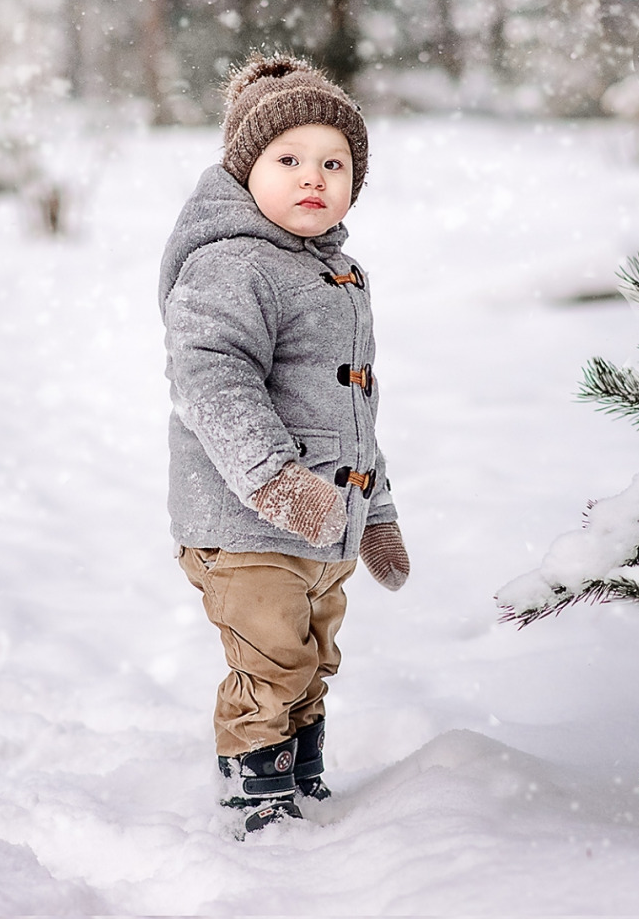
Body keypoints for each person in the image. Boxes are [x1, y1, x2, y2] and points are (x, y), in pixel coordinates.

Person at [157, 53, 410, 835]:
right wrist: (277, 481)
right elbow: (211, 381)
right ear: (245, 171)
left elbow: (354, 413)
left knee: (312, 658)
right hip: (246, 526)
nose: (314, 176)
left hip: (326, 524)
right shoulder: (232, 265)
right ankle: (255, 800)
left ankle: (302, 776)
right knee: (270, 663)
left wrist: (378, 514)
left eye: (333, 162)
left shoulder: (338, 273)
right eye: (288, 159)